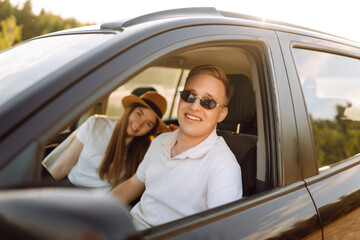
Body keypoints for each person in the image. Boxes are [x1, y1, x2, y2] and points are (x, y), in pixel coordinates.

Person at [111, 65, 243, 229]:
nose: (195, 106)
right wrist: (95, 210)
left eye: (207, 102)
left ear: (221, 114)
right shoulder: (159, 141)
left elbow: (221, 232)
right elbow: (133, 184)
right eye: (189, 95)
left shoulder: (223, 167)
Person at [47, 91, 168, 191]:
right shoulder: (95, 124)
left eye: (148, 123)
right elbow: (64, 166)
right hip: (69, 188)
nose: (139, 124)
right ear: (130, 110)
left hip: (101, 202)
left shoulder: (146, 149)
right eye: (139, 113)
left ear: (151, 129)